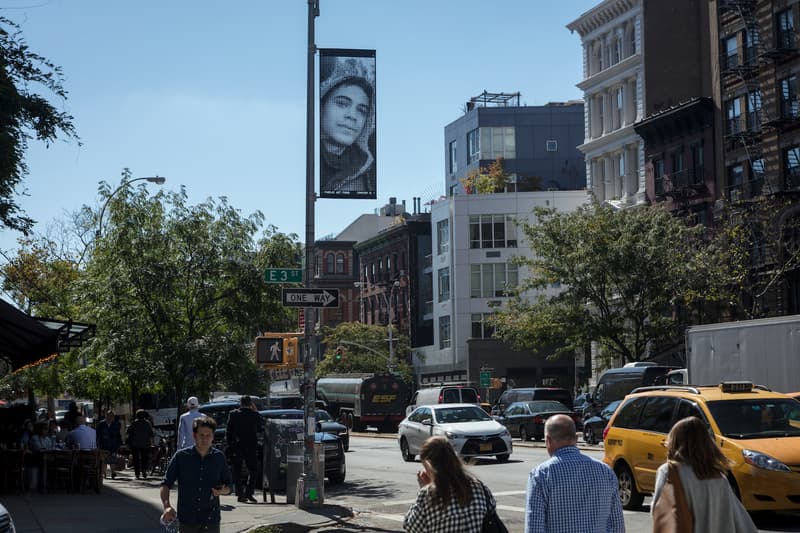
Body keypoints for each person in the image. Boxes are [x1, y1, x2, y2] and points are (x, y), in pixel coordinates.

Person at [652, 416, 756, 532]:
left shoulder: (669, 471)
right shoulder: (719, 477)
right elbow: (742, 522)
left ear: (675, 442)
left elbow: (659, 512)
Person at [524, 414, 623, 533]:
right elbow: (617, 526)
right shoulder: (605, 471)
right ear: (576, 438)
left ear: (548, 441)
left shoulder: (540, 475)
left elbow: (534, 529)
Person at [403, 436, 497, 533]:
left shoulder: (428, 495)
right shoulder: (479, 487)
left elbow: (411, 527)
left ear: (429, 465)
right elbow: (491, 510)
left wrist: (424, 488)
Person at [160, 416, 232, 533]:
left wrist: (223, 491)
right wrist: (166, 506)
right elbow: (165, 484)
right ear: (194, 436)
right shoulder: (181, 457)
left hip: (211, 520)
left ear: (213, 436)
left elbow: (229, 486)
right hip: (187, 520)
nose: (204, 439)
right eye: (201, 435)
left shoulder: (219, 457)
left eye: (208, 435)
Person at [319, 54, 376, 197]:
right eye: (342, 103)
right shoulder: (307, 161)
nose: (352, 116)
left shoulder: (367, 174)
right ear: (322, 105)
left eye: (362, 110)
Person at [226, 395, 262, 504]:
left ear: (240, 403)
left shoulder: (233, 414)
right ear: (250, 403)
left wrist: (230, 445)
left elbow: (229, 431)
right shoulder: (254, 414)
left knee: (236, 471)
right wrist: (256, 411)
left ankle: (240, 494)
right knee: (253, 470)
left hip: (237, 446)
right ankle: (249, 492)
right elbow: (260, 427)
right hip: (251, 446)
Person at [127, 409, 154, 480]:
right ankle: (144, 471)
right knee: (144, 458)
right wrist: (151, 442)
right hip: (145, 444)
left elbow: (129, 432)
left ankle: (137, 473)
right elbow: (151, 433)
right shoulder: (147, 423)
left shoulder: (134, 423)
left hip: (135, 444)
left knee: (136, 459)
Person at [96, 410, 123, 479]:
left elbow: (118, 435)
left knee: (112, 459)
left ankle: (113, 472)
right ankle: (104, 472)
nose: (110, 417)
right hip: (103, 444)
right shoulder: (101, 424)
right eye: (109, 416)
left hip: (113, 444)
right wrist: (97, 444)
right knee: (104, 459)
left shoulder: (116, 424)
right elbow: (98, 435)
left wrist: (119, 444)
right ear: (106, 416)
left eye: (112, 416)